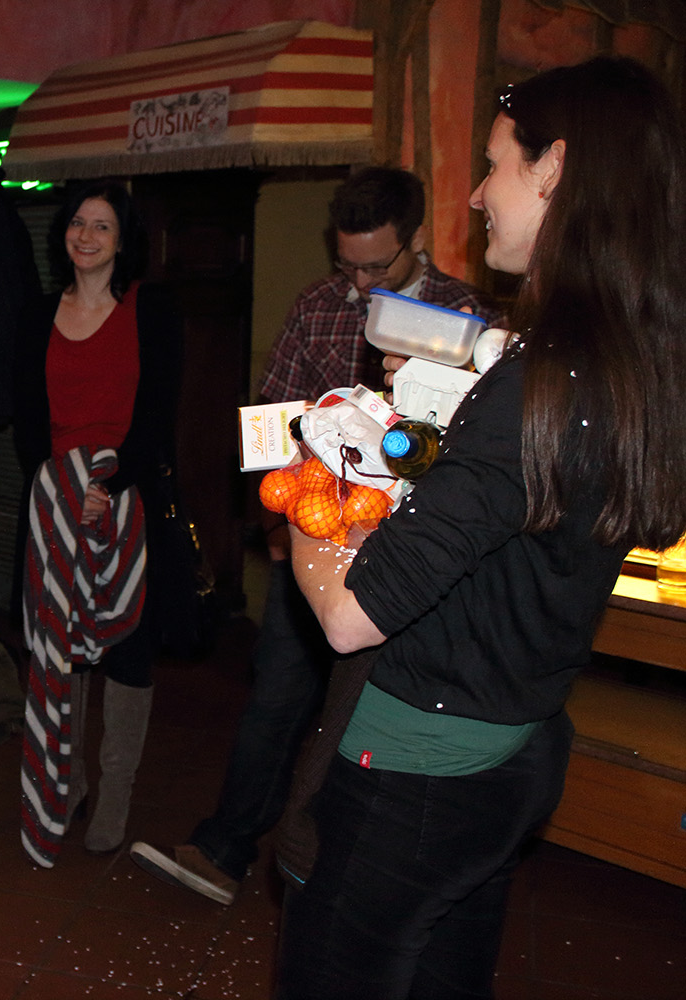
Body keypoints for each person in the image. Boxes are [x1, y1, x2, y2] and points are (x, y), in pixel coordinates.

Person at [275, 56, 686, 998]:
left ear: (554, 170)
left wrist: (307, 484)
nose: (474, 194)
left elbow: (349, 617)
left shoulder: (539, 384)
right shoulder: (632, 360)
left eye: (495, 165)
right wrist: (434, 427)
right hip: (516, 748)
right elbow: (517, 519)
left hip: (418, 773)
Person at [131, 167, 502, 905]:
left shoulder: (465, 317)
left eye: (376, 266)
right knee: (277, 695)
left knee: (370, 716)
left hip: (414, 557)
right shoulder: (317, 305)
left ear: (415, 240)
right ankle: (226, 848)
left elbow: (482, 453)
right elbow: (272, 417)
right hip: (316, 536)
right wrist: (276, 521)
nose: (359, 284)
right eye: (347, 265)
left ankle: (348, 876)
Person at [13, 181, 179, 864]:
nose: (86, 236)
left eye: (102, 226)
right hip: (55, 503)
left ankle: (115, 795)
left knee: (128, 649)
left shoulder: (151, 311)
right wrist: (65, 487)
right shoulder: (37, 314)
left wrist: (107, 484)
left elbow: (159, 415)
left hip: (127, 500)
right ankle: (71, 779)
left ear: (122, 239)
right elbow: (27, 422)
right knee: (62, 643)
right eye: (78, 223)